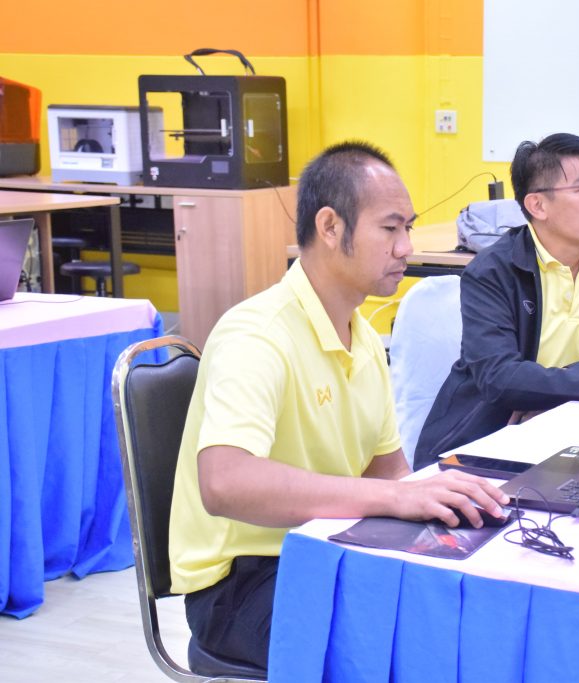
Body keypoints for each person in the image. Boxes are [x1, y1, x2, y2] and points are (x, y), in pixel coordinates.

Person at [167, 142, 509, 671]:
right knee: (416, 644)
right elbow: (225, 483)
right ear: (330, 227)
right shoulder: (256, 334)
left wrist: (451, 505)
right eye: (390, 228)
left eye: (408, 228)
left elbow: (389, 473)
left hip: (324, 550)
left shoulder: (363, 336)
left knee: (468, 607)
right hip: (243, 584)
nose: (406, 247)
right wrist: (395, 498)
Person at [414, 133, 579, 469]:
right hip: (494, 440)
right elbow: (500, 380)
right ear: (538, 205)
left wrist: (552, 384)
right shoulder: (492, 271)